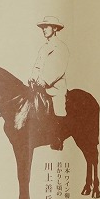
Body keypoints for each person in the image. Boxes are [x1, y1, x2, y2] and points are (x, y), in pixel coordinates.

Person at [29, 16, 69, 150]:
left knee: (58, 107)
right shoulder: (43, 48)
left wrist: (44, 80)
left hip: (55, 88)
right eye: (43, 28)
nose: (44, 30)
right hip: (40, 87)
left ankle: (58, 138)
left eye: (46, 27)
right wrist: (32, 78)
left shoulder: (61, 47)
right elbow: (37, 66)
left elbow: (59, 68)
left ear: (55, 28)